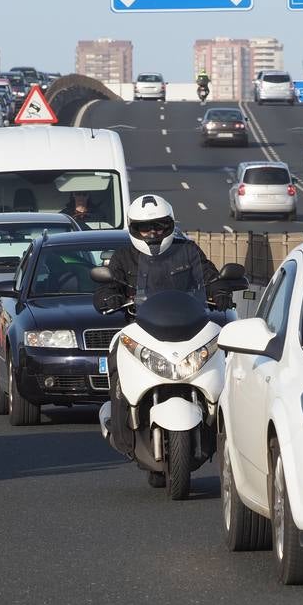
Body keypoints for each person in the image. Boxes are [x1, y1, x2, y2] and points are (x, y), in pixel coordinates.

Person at [93, 194, 229, 456]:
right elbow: (107, 286)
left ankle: (229, 425)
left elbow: (211, 276)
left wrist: (220, 290)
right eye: (145, 227)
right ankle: (123, 426)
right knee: (114, 355)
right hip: (141, 331)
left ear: (169, 225)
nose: (152, 232)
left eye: (159, 226)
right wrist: (108, 296)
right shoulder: (122, 258)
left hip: (190, 328)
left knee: (230, 356)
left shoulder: (188, 251)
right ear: (134, 229)